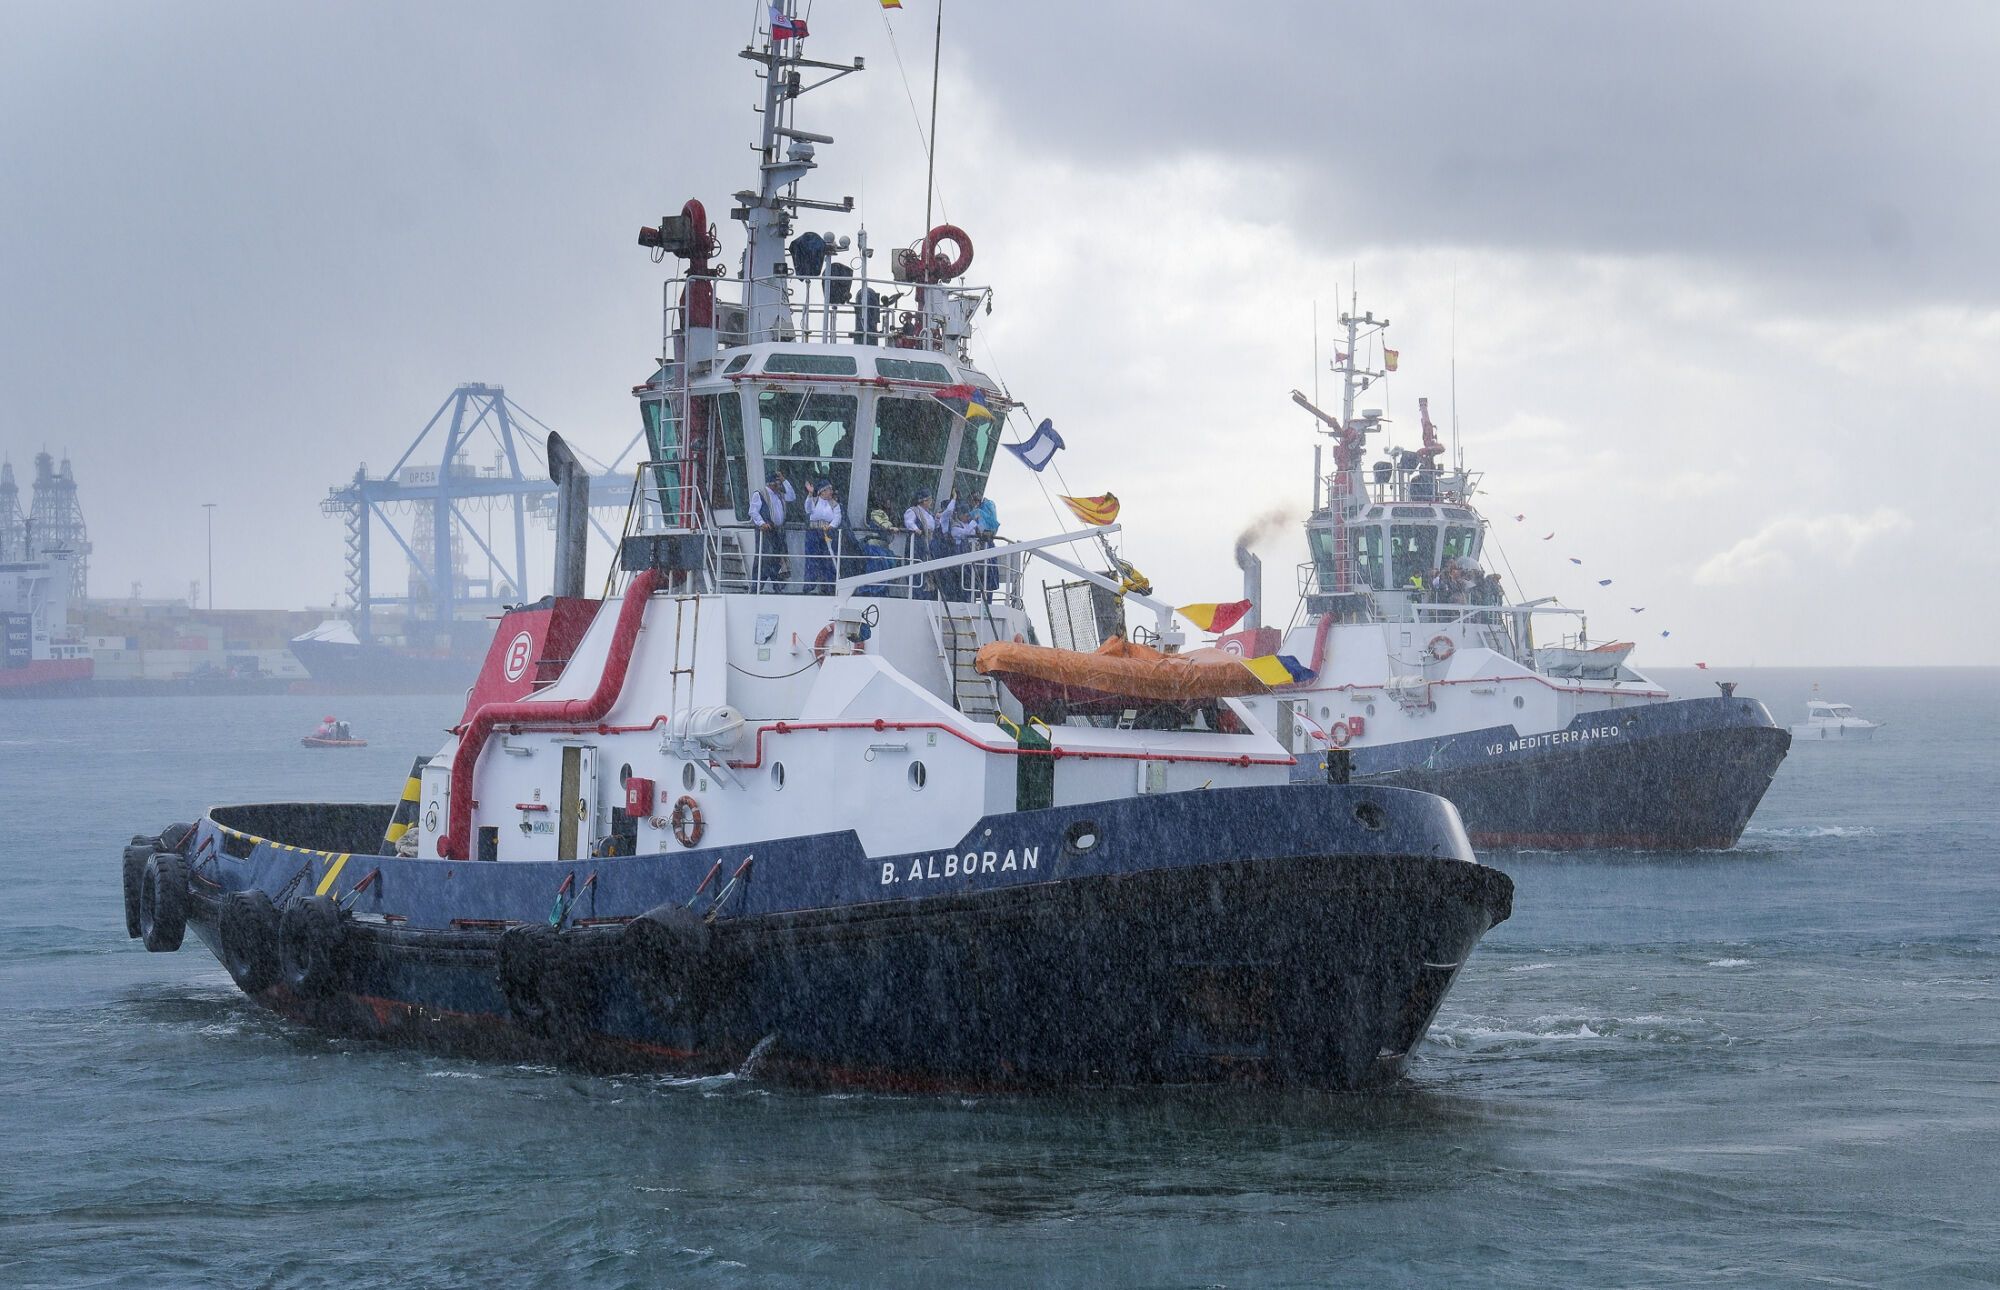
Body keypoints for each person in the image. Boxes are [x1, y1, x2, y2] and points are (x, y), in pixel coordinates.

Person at [748, 469, 795, 590]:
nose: (779, 486)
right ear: (771, 484)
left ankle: (776, 584)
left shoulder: (779, 495)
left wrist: (785, 480)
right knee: (764, 557)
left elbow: (792, 496)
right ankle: (757, 585)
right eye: (778, 483)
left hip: (778, 531)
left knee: (777, 557)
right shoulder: (760, 494)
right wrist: (762, 523)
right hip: (766, 532)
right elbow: (753, 511)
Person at [804, 478, 844, 593]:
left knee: (828, 560)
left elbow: (838, 517)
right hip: (813, 533)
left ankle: (828, 586)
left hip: (828, 533)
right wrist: (810, 494)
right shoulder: (814, 501)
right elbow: (808, 509)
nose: (831, 491)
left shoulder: (834, 504)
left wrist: (831, 526)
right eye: (828, 489)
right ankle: (809, 586)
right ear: (822, 491)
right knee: (812, 559)